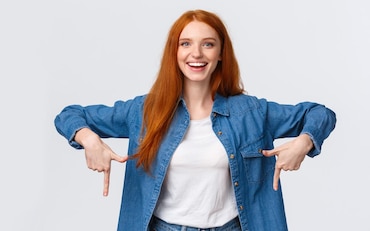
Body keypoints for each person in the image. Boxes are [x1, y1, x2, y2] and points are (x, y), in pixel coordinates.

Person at [53, 9, 337, 231]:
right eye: (186, 43)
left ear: (221, 54)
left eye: (208, 44)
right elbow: (69, 115)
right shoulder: (144, 111)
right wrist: (89, 140)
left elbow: (320, 114)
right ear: (174, 52)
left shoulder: (251, 112)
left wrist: (304, 141)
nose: (196, 54)